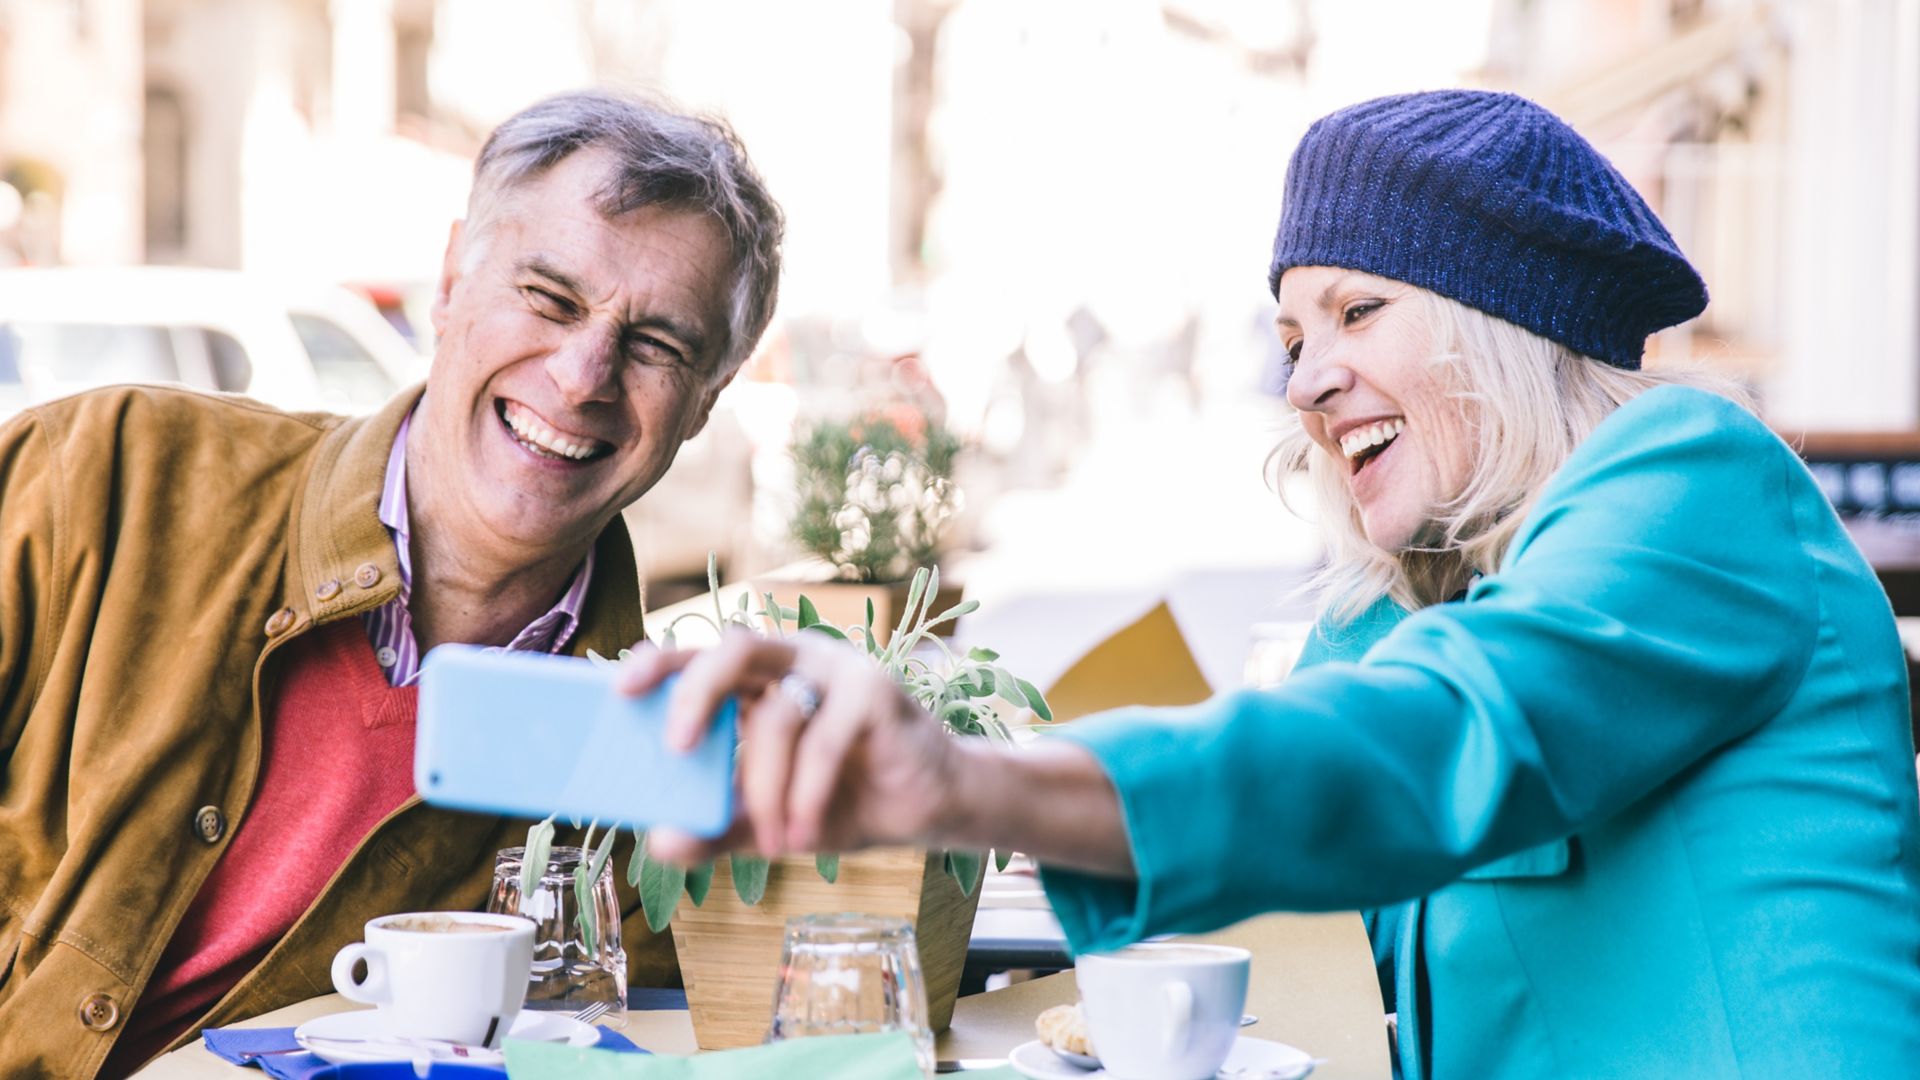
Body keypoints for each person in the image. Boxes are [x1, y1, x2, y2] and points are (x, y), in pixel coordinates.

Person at [626, 90, 1920, 1079]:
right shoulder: (1409, 601)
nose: (1301, 381)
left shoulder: (1695, 481)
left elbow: (1437, 741)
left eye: (1359, 313)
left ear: (1507, 325)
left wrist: (967, 781)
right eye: (1294, 337)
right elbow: (1298, 792)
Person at [0, 89, 782, 1077]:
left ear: (706, 404)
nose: (584, 376)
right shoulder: (97, 477)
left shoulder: (640, 783)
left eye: (658, 345)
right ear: (452, 278)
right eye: (549, 297)